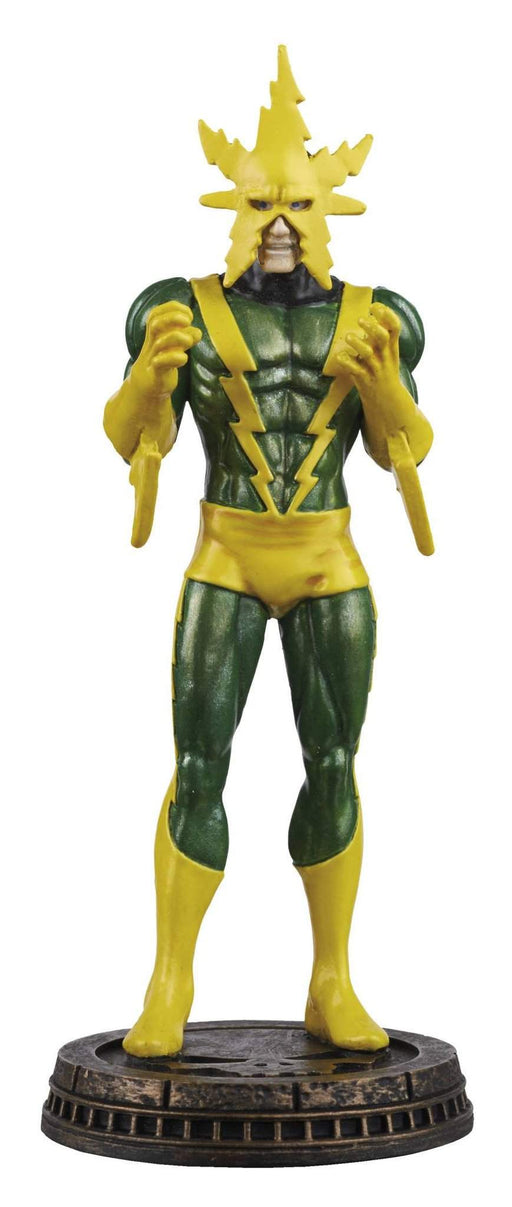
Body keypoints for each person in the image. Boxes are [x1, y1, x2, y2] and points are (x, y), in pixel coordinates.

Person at [104, 46, 433, 1058]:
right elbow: (129, 437)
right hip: (228, 553)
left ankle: (332, 981)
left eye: (297, 204)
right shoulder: (180, 308)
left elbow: (408, 446)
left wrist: (382, 386)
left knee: (334, 761)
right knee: (198, 763)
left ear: (326, 210)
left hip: (328, 556)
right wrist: (149, 380)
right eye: (262, 203)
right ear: (235, 207)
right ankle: (169, 979)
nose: (281, 222)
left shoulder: (378, 317)